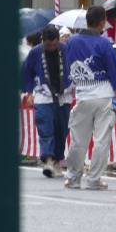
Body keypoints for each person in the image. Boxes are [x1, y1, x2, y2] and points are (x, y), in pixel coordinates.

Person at [63, 5, 116, 190]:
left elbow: (69, 69)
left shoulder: (72, 42)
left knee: (78, 140)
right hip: (104, 93)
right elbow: (115, 73)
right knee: (101, 140)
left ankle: (73, 177)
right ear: (102, 22)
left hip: (82, 93)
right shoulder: (104, 43)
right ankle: (93, 179)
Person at [21, 25, 72, 178]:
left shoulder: (65, 49)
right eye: (48, 45)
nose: (51, 47)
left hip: (64, 96)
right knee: (45, 128)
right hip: (43, 95)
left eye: (54, 44)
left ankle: (56, 160)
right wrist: (29, 92)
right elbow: (26, 72)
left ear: (58, 40)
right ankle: (48, 160)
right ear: (43, 41)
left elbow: (74, 69)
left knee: (62, 130)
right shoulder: (35, 52)